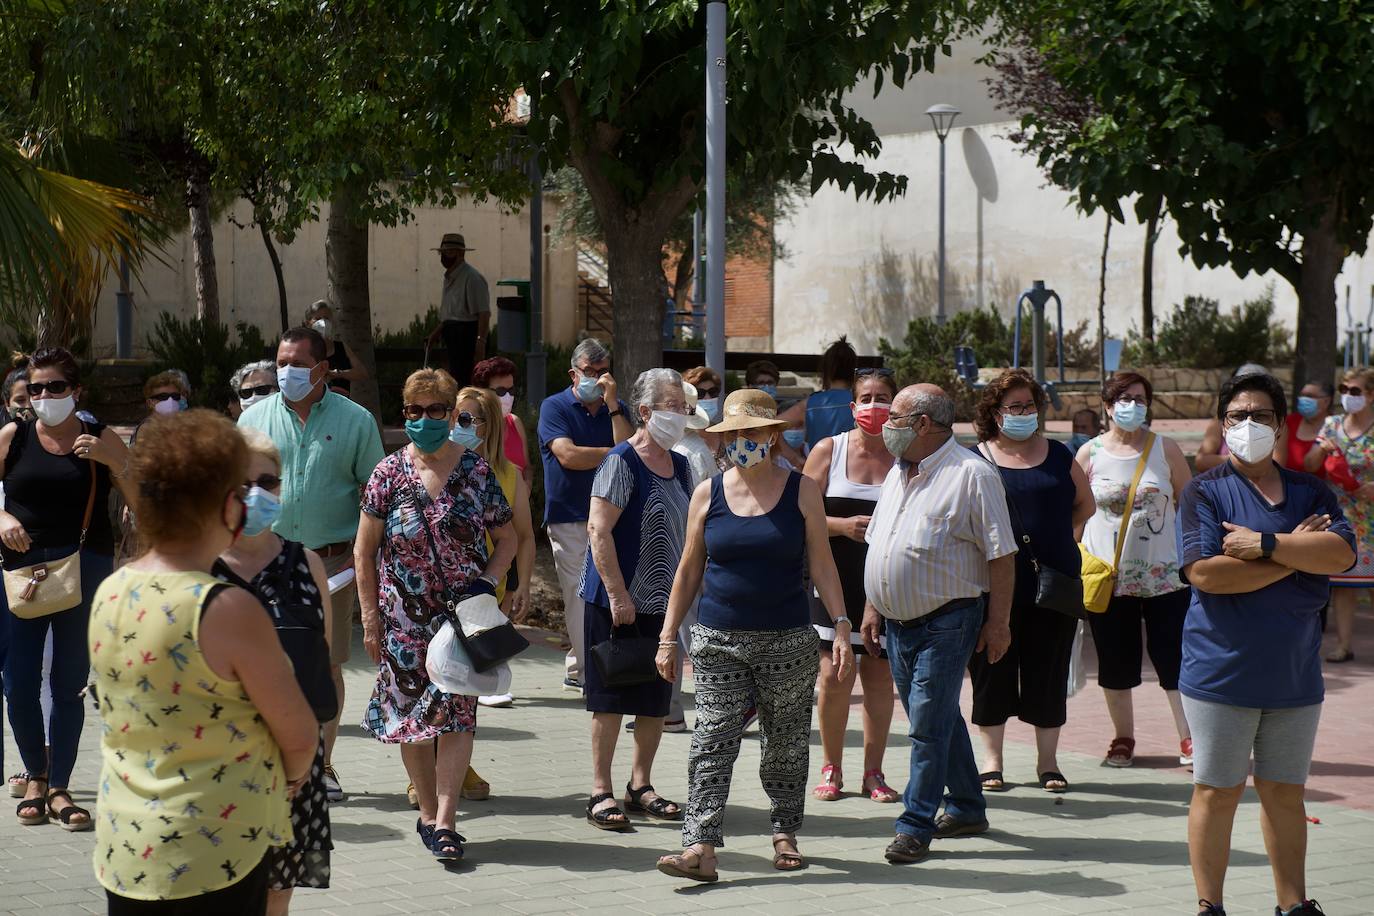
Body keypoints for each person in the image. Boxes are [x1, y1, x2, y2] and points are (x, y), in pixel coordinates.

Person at [89, 409, 318, 912]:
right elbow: (300, 737)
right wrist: (292, 777)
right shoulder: (227, 608)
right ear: (225, 505)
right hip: (216, 850)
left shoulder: (111, 590)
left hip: (127, 844)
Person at [652, 388, 851, 882]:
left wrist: (842, 625)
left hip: (787, 640)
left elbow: (823, 565)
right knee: (711, 739)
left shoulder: (801, 490)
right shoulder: (709, 492)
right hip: (718, 639)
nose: (744, 440)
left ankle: (785, 830)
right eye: (736, 432)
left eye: (754, 431)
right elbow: (687, 569)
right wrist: (667, 635)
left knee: (783, 745)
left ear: (772, 436)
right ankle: (700, 847)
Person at [1177, 371, 1355, 916]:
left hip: (1294, 674)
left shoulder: (1311, 490)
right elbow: (1208, 575)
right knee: (1218, 790)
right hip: (1220, 672)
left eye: (1260, 415)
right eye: (1237, 416)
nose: (1248, 424)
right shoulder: (1204, 491)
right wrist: (1295, 552)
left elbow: (1340, 556)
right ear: (1221, 424)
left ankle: (1292, 904)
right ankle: (1210, 905)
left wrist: (1267, 545)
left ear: (1280, 425)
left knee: (1284, 793)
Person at [355, 368, 515, 864]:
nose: (424, 419)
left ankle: (446, 819)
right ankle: (426, 812)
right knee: (409, 715)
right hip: (401, 617)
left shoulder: (477, 472)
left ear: (451, 414)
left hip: (460, 619)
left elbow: (507, 539)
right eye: (414, 411)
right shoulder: (388, 472)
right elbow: (365, 551)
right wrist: (369, 617)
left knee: (458, 713)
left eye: (435, 411)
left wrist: (487, 584)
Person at [859, 384, 1016, 865]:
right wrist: (873, 605)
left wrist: (998, 623)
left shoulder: (973, 474)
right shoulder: (897, 472)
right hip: (899, 622)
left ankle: (915, 825)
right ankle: (968, 806)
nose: (887, 424)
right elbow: (881, 543)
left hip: (949, 619)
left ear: (924, 424)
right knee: (939, 716)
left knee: (926, 724)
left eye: (897, 416)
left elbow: (1002, 554)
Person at [239, 326, 385, 802]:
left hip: (334, 565)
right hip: (264, 562)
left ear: (322, 369)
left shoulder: (356, 420)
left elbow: (375, 496)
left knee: (327, 665)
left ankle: (322, 764)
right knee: (260, 662)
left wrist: (371, 560)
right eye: (280, 362)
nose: (285, 372)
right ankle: (270, 761)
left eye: (296, 365)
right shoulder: (253, 420)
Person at [1, 347, 129, 832]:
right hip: (22, 575)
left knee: (69, 683)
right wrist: (3, 515)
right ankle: (35, 775)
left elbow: (140, 497)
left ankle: (60, 787)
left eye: (55, 387)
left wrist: (113, 459)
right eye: (36, 388)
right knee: (18, 682)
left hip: (84, 566)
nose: (44, 396)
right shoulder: (13, 437)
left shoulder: (100, 437)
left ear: (76, 391)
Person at [213, 428, 336, 914]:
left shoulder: (305, 564)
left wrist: (304, 758)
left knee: (275, 892)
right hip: (215, 765)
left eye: (269, 482)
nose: (256, 494)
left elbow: (318, 660)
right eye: (242, 484)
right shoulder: (195, 568)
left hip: (293, 766)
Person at [968, 369, 1094, 794]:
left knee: (1048, 671)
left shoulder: (1059, 454)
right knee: (991, 671)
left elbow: (1085, 506)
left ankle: (1048, 762)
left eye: (1029, 406)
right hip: (992, 587)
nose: (1023, 413)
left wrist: (1058, 540)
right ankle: (992, 762)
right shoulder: (976, 458)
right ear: (995, 412)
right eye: (1013, 407)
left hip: (1053, 585)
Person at [580, 369, 693, 830]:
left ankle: (640, 784)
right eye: (673, 406)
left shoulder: (682, 464)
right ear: (645, 412)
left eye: (684, 407)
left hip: (664, 607)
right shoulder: (622, 461)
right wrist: (618, 594)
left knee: (654, 700)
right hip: (617, 604)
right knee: (608, 699)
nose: (681, 415)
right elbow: (598, 530)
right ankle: (600, 791)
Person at [1076, 371, 1196, 767]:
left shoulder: (1166, 450)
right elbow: (1075, 514)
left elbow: (1191, 505)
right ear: (1107, 406)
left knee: (1174, 656)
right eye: (1124, 398)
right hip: (1109, 578)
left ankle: (1189, 738)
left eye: (1140, 398)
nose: (1132, 405)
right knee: (1115, 660)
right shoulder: (1089, 454)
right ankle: (1122, 738)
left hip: (1166, 575)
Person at [804, 367, 900, 804]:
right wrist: (841, 525)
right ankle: (831, 766)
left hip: (888, 585)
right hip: (834, 582)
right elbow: (798, 516)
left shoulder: (907, 456)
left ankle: (873, 772)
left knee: (880, 677)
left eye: (883, 397)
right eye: (867, 397)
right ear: (852, 405)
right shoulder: (829, 450)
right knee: (834, 675)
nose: (874, 406)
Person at [537, 338, 632, 689]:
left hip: (612, 516)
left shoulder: (616, 407)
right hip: (570, 516)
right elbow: (568, 456)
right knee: (579, 598)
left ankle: (580, 667)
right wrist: (614, 453)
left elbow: (630, 448)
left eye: (603, 371)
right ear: (574, 374)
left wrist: (613, 407)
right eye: (589, 372)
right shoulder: (554, 407)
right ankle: (594, 675)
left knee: (609, 592)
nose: (596, 378)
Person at [459, 385, 535, 714]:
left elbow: (525, 536)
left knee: (472, 685)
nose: (454, 425)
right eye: (452, 416)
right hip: (443, 587)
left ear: (487, 425)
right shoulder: (440, 467)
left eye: (464, 418)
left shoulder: (509, 474)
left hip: (489, 588)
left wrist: (523, 585)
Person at [1307, 367, 1374, 663]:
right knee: (1344, 585)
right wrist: (1322, 451)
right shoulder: (1332, 425)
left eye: (1355, 391)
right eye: (1344, 390)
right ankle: (1343, 645)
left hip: (1371, 519)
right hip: (1342, 517)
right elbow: (1310, 465)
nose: (1348, 396)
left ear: (1371, 395)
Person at [425, 233, 490, 388]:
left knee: (465, 381)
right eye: (443, 252)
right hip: (452, 334)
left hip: (466, 335)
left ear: (460, 253)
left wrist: (480, 341)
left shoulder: (472, 278)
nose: (444, 256)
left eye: (449, 251)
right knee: (452, 380)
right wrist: (437, 332)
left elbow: (483, 313)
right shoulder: (449, 277)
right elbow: (451, 314)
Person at [778, 337, 859, 451]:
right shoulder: (861, 403)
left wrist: (793, 458)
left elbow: (769, 427)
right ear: (853, 371)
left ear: (826, 369)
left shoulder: (809, 404)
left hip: (817, 467)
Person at [1196, 363, 1270, 472]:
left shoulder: (1274, 422)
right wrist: (1244, 460)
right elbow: (1201, 461)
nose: (1249, 391)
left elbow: (1276, 462)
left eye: (1261, 416)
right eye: (1241, 386)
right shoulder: (1220, 420)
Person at [472, 356, 530, 478]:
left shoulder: (515, 422)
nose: (508, 397)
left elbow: (527, 467)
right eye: (501, 391)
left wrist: (526, 488)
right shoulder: (471, 429)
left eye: (511, 390)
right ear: (482, 392)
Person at [305, 300, 369, 398]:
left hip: (340, 404)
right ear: (308, 323)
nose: (323, 323)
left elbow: (361, 372)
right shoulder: (303, 349)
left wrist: (338, 373)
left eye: (326, 318)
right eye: (318, 318)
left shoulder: (341, 347)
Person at [1287, 381, 1332, 474]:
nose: (1303, 399)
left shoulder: (1335, 427)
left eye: (1309, 396)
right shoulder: (1289, 422)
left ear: (1326, 401)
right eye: (1302, 395)